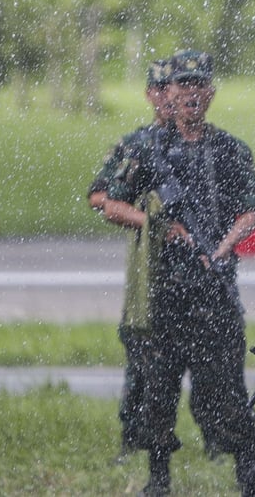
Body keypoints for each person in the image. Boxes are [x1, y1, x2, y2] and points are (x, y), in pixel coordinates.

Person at [102, 49, 255, 496]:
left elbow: (253, 209)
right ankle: (158, 478)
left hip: (214, 292)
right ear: (166, 95)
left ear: (210, 93)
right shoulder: (147, 149)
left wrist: (223, 246)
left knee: (227, 392)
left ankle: (249, 471)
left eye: (198, 86)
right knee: (159, 392)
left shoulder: (229, 150)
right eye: (181, 86)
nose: (191, 94)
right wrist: (156, 226)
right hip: (164, 293)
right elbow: (108, 201)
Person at [88, 58, 175, 461]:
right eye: (162, 89)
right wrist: (150, 219)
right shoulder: (139, 145)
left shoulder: (209, 143)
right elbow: (101, 197)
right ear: (151, 94)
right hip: (151, 268)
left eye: (176, 87)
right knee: (143, 354)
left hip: (196, 267)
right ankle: (134, 438)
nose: (169, 97)